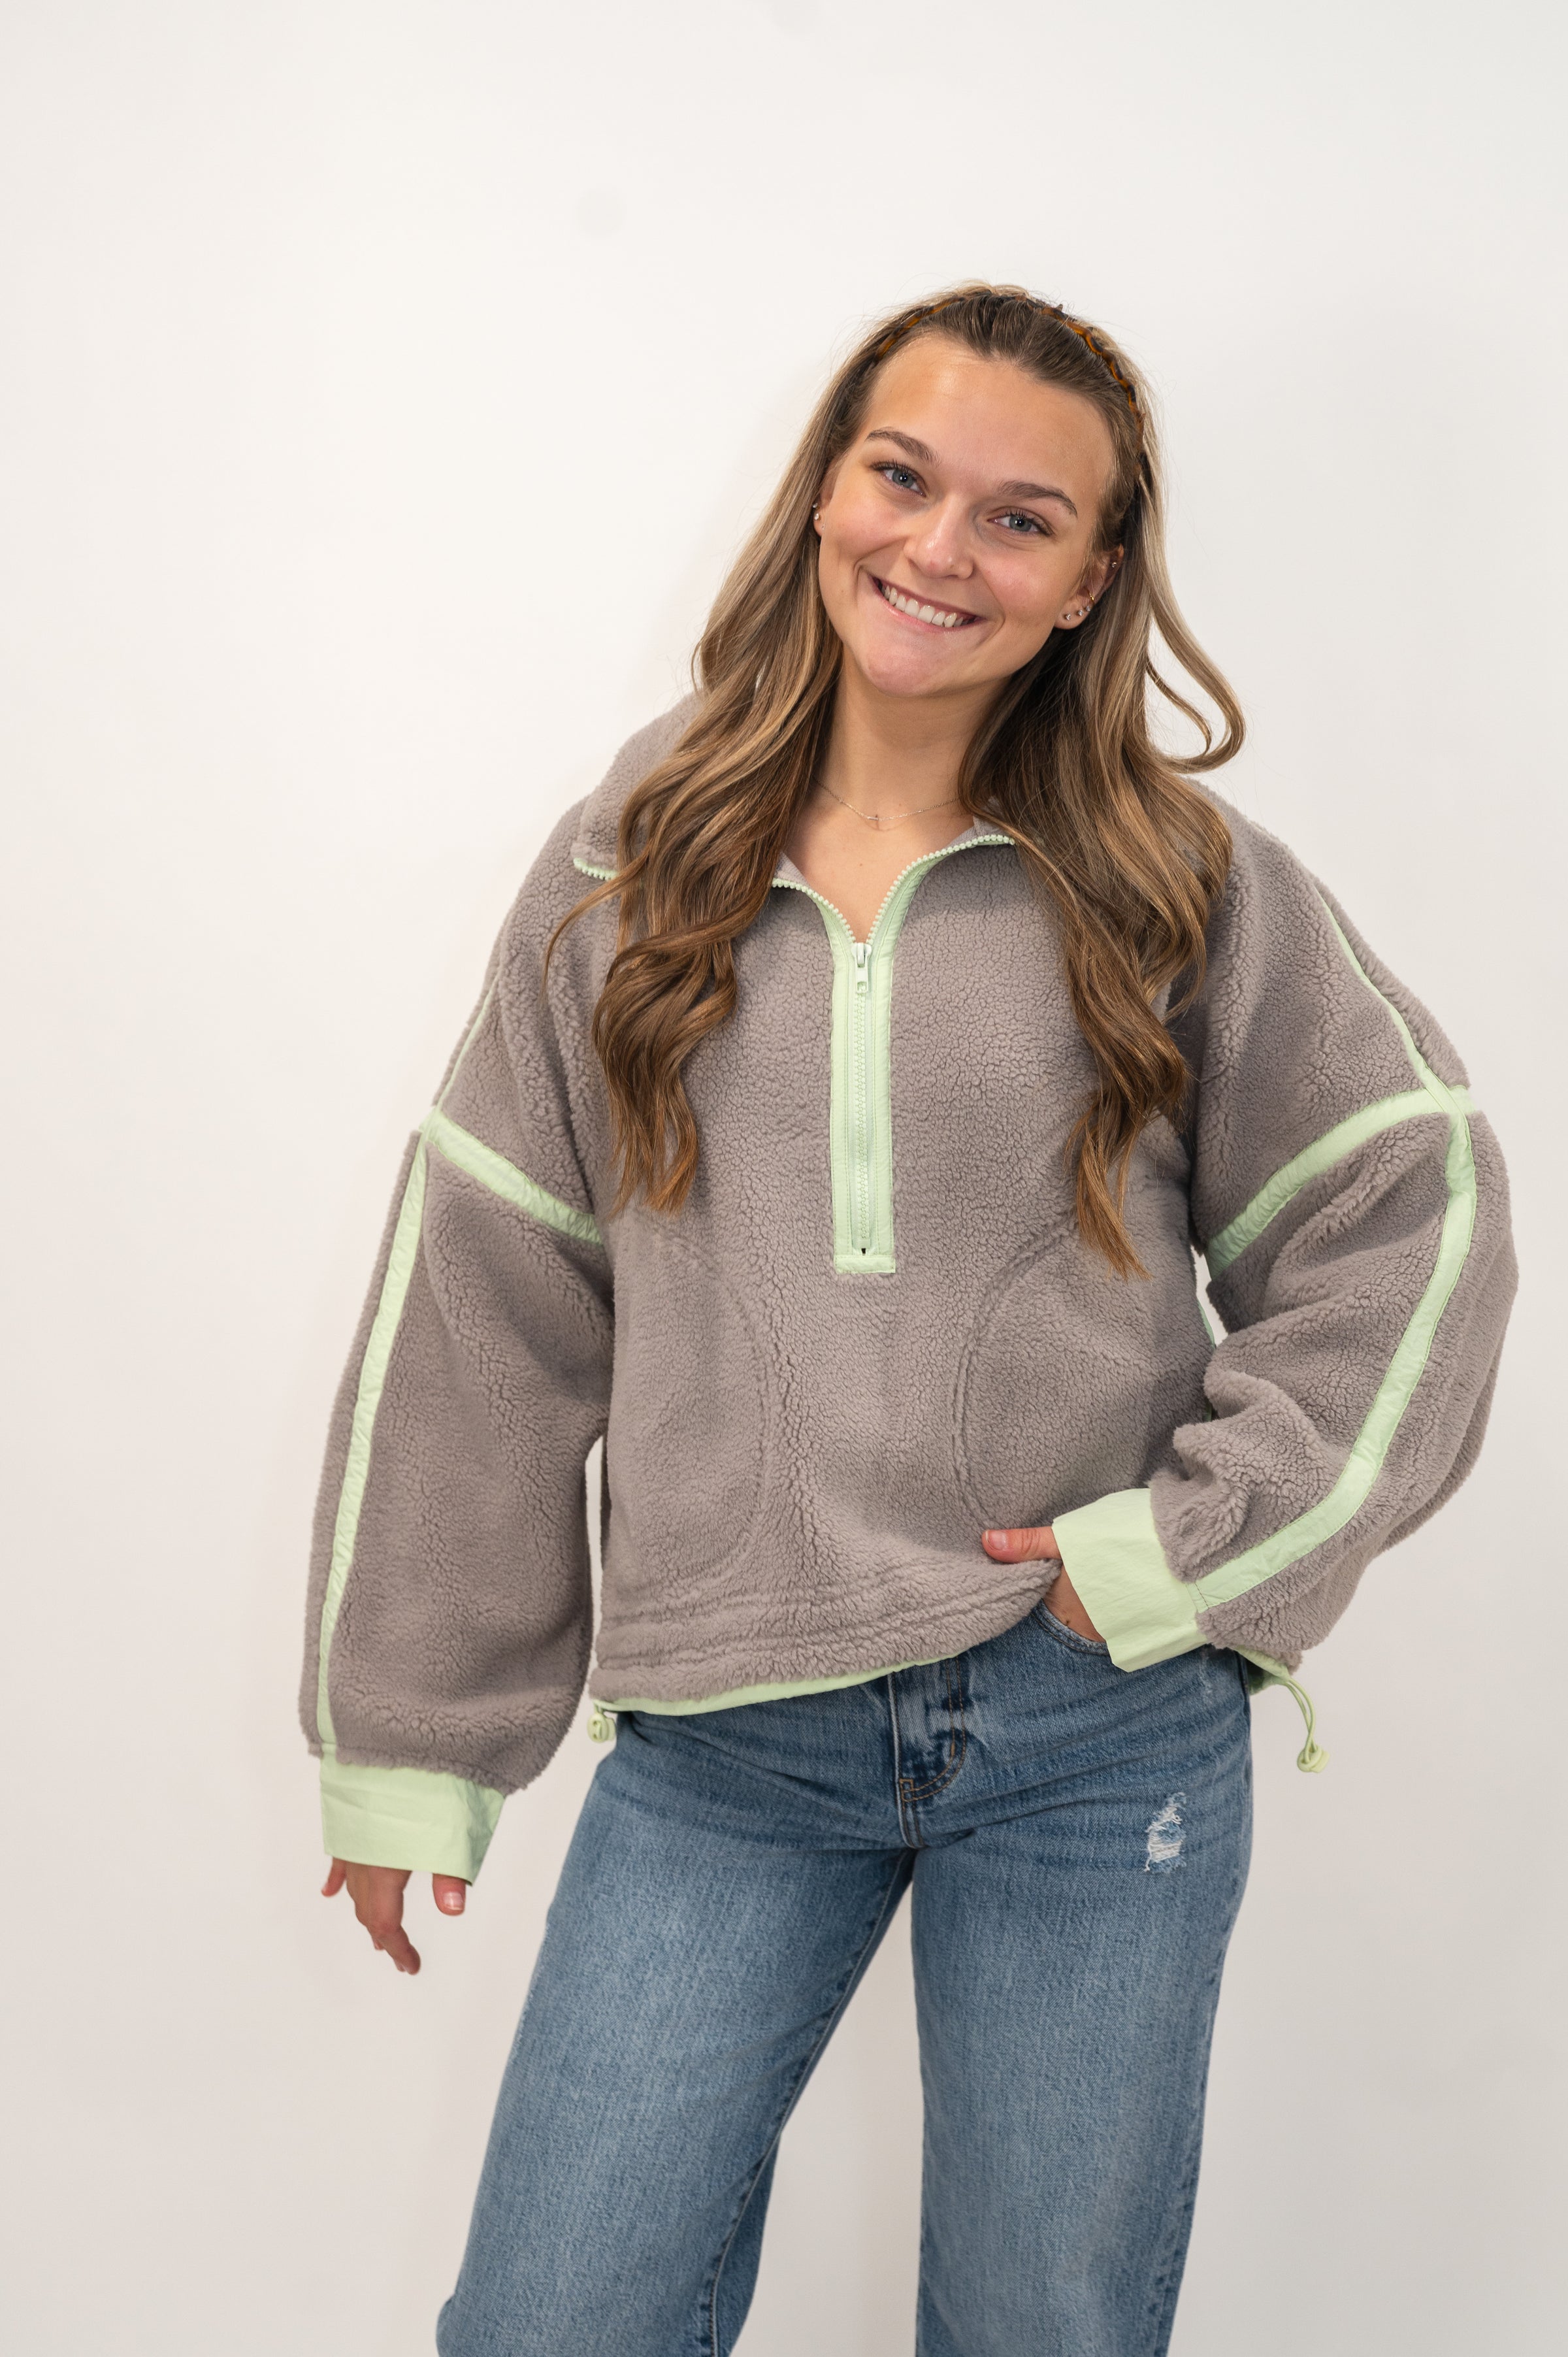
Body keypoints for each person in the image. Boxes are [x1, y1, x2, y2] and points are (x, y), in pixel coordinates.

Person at [302, 284, 1515, 2355]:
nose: (943, 548)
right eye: (904, 477)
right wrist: (413, 1744)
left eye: (1021, 520)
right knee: (551, 2321)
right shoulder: (628, 867)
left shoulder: (1182, 881)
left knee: (1046, 2329)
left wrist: (1191, 1549)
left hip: (1093, 1720)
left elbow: (1416, 1208)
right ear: (825, 491)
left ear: (1090, 580)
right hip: (726, 1731)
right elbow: (491, 1300)